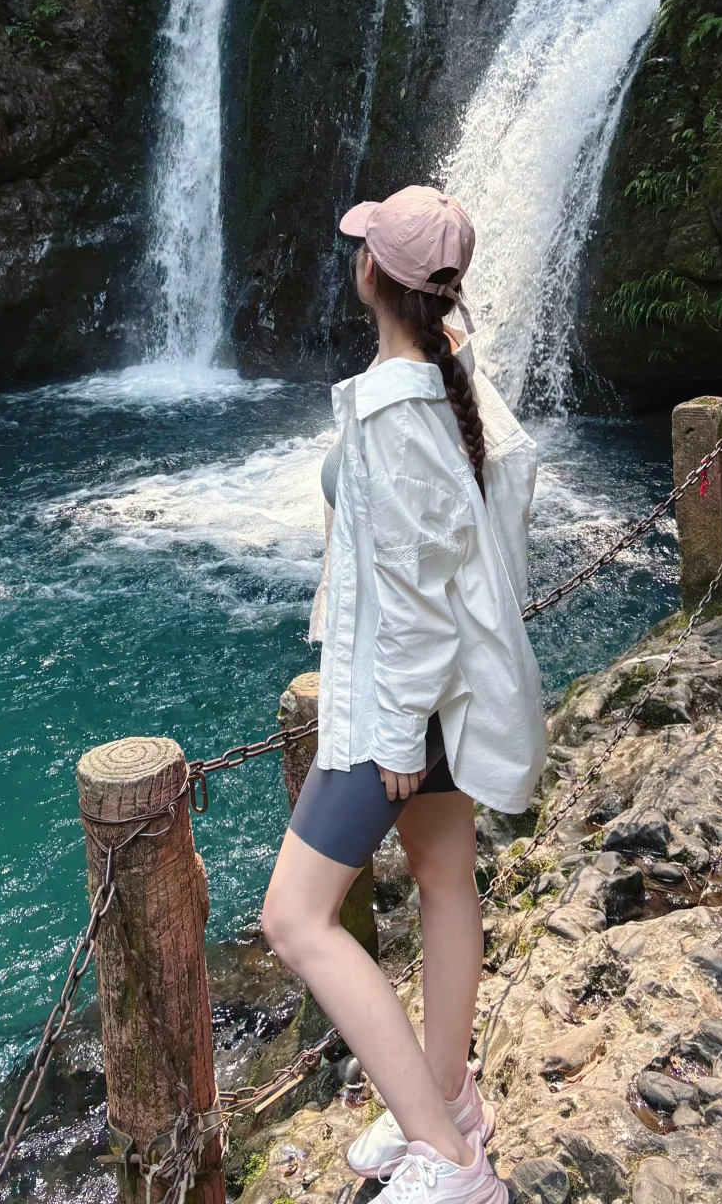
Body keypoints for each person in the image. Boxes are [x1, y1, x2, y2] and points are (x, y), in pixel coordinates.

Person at [262, 186, 546, 1204]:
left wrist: (391, 733)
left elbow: (417, 592)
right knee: (444, 878)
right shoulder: (453, 374)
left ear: (372, 272)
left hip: (398, 702)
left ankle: (450, 1161)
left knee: (294, 919)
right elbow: (500, 499)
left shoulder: (394, 406)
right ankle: (449, 1097)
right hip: (444, 692)